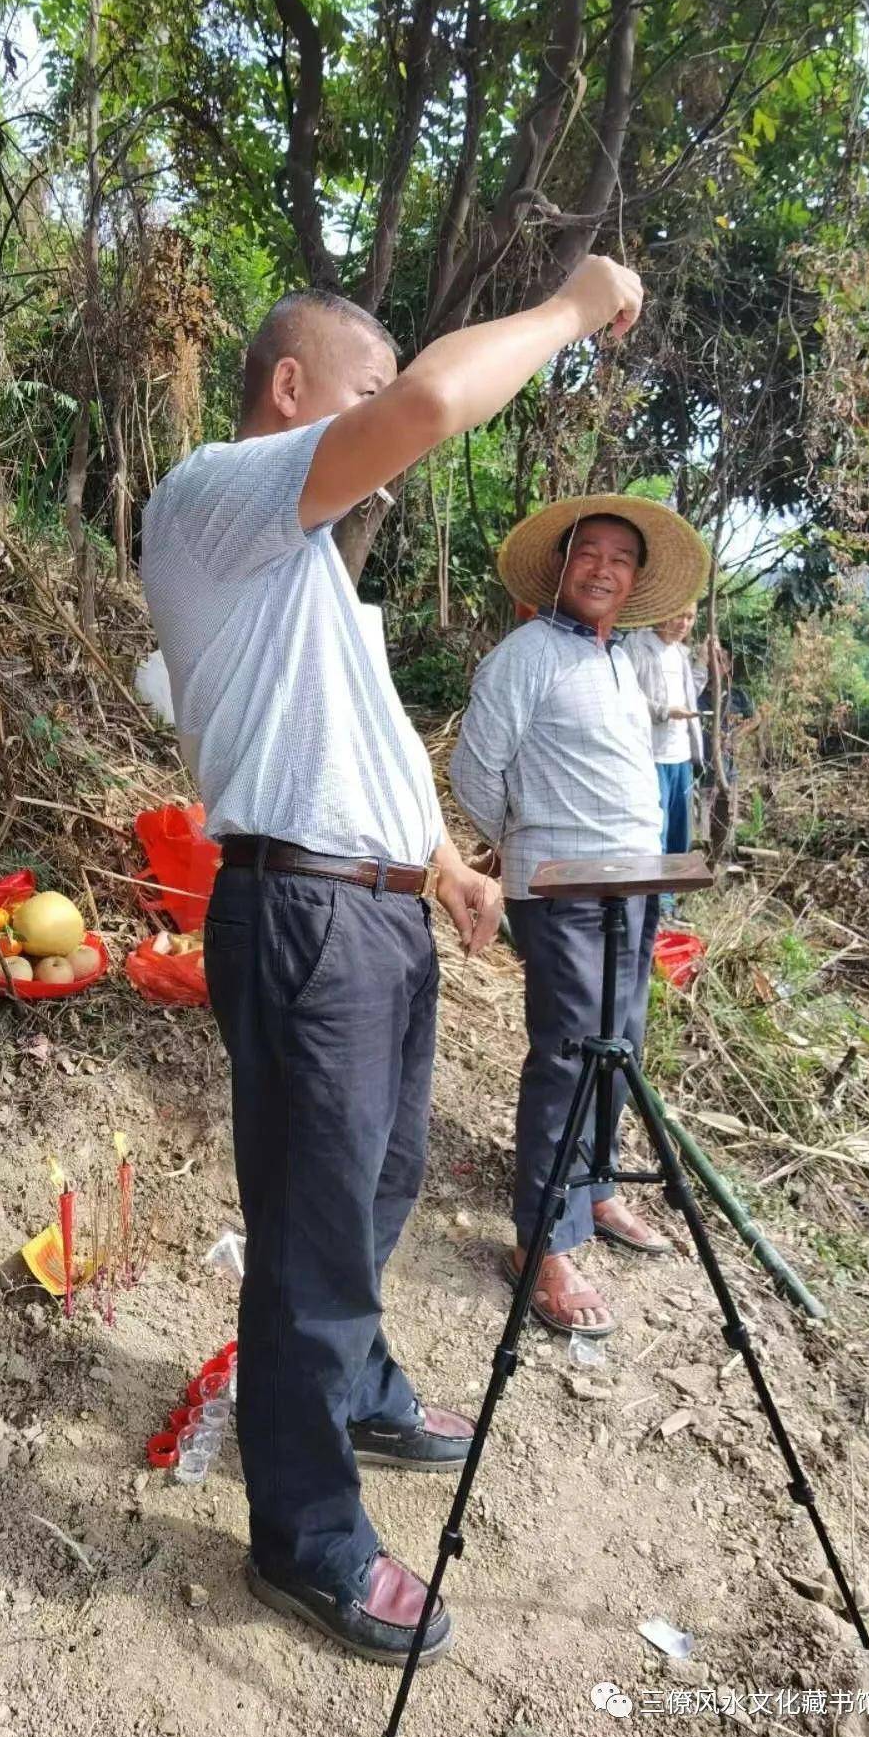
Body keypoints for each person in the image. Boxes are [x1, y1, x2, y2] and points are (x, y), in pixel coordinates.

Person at [140, 256, 644, 1664]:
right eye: (352, 397)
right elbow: (429, 398)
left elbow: (348, 747)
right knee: (310, 1234)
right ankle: (306, 1535)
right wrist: (571, 304)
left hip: (372, 912)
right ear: (292, 391)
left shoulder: (299, 568)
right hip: (303, 921)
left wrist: (440, 866)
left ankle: (352, 1383)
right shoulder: (215, 494)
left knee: (385, 1177)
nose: (380, 432)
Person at [450, 499, 709, 1339]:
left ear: (634, 581)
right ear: (559, 570)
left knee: (619, 1044)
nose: (603, 568)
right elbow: (475, 773)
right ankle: (542, 1240)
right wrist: (527, 849)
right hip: (561, 892)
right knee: (565, 1056)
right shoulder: (525, 656)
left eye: (620, 559)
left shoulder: (620, 658)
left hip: (634, 887)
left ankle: (593, 1190)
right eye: (587, 553)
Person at [624, 608, 703, 905]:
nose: (684, 623)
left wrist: (704, 666)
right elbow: (626, 694)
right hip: (651, 755)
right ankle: (650, 901)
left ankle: (667, 901)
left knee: (679, 835)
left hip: (680, 755)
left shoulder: (681, 653)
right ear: (662, 611)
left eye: (691, 617)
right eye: (679, 615)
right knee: (655, 829)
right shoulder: (637, 645)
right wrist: (664, 711)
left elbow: (689, 694)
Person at [693, 637, 758, 840]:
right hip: (700, 775)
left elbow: (755, 718)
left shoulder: (737, 696)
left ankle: (723, 864)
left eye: (721, 660)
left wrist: (734, 736)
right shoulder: (695, 694)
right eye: (711, 659)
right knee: (702, 832)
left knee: (725, 827)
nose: (716, 664)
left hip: (728, 774)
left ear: (728, 665)